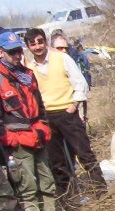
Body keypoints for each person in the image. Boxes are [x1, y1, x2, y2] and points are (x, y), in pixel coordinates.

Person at [0, 32, 58, 211]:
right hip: (17, 140)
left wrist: (44, 125)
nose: (17, 55)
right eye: (12, 52)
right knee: (28, 187)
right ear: (0, 53)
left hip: (37, 135)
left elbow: (39, 104)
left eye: (18, 51)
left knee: (47, 181)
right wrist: (8, 140)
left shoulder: (28, 74)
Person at [24, 28, 106, 201]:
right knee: (57, 161)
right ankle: (67, 198)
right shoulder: (29, 69)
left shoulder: (62, 58)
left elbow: (80, 82)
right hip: (47, 117)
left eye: (40, 42)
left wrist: (74, 104)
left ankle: (101, 191)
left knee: (84, 153)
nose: (37, 46)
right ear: (28, 47)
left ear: (45, 41)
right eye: (33, 44)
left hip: (67, 113)